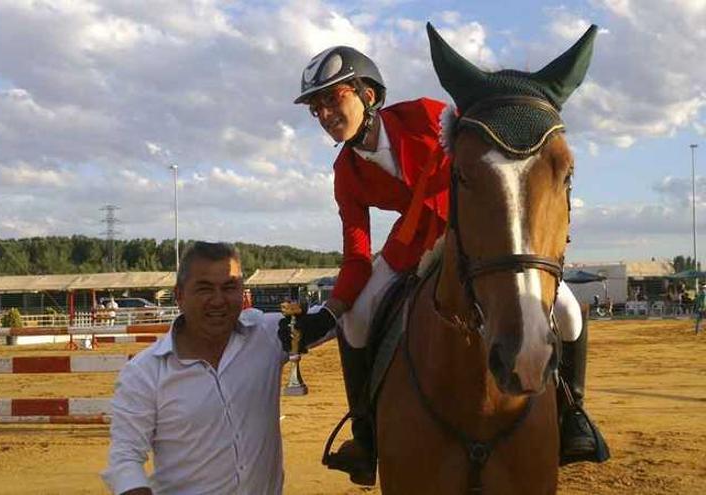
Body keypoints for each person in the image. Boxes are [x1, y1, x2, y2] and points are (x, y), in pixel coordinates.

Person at [292, 46, 606, 484]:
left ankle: (573, 415)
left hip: (475, 236)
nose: (325, 112)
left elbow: (486, 146)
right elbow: (357, 255)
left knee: (569, 312)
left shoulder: (424, 115)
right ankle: (364, 432)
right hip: (411, 248)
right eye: (317, 107)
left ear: (367, 94)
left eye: (333, 98)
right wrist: (328, 313)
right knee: (358, 322)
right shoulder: (346, 171)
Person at [101, 242, 286, 495]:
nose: (218, 300)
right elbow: (124, 459)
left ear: (241, 291)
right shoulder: (144, 373)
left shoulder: (269, 335)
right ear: (179, 296)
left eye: (229, 287)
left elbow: (339, 317)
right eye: (204, 289)